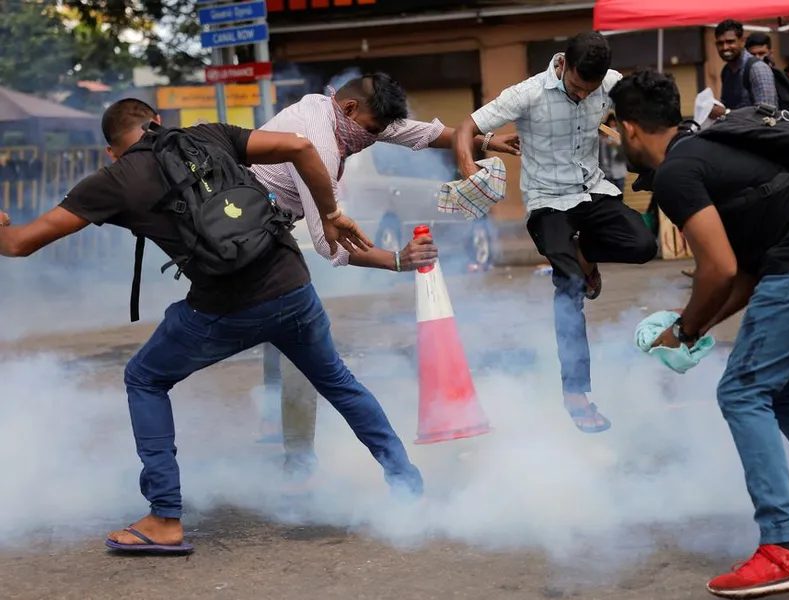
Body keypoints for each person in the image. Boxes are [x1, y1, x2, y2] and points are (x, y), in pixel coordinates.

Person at [0, 98, 425, 554]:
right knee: (339, 382)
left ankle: (164, 516)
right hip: (291, 284)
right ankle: (407, 484)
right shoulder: (208, 134)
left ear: (112, 151)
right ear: (157, 123)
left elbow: (20, 243)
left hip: (226, 306)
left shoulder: (114, 179)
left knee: (144, 377)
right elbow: (301, 148)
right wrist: (331, 213)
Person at [249, 72, 521, 481]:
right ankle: (299, 462)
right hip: (247, 237)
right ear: (350, 110)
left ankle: (280, 426)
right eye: (372, 131)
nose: (373, 139)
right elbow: (331, 243)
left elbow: (418, 134)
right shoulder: (319, 144)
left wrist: (482, 142)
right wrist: (397, 260)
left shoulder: (344, 116)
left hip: (259, 233)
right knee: (299, 336)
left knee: (278, 325)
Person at [611, 68, 789, 599]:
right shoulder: (707, 150)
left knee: (742, 392)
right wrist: (687, 331)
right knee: (783, 393)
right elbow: (741, 276)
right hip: (787, 264)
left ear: (628, 128)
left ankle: (784, 546)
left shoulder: (676, 172)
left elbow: (716, 269)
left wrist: (688, 327)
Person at [451, 31, 657, 434]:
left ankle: (587, 256)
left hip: (591, 191)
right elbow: (466, 127)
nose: (583, 97)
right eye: (578, 87)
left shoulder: (612, 83)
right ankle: (576, 394)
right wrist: (467, 167)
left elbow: (646, 113)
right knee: (569, 286)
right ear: (563, 65)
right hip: (547, 202)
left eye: (590, 91)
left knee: (644, 244)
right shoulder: (527, 94)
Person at [709, 20, 777, 120]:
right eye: (720, 43)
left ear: (742, 41)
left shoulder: (757, 69)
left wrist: (727, 113)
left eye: (730, 42)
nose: (725, 47)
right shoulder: (726, 71)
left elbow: (768, 114)